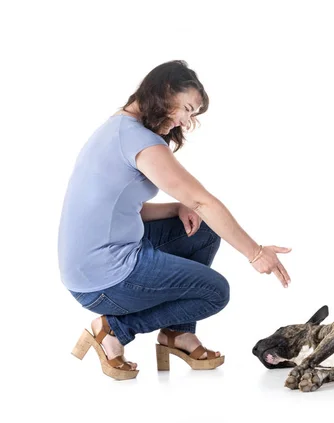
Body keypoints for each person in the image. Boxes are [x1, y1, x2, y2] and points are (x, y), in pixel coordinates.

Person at [59, 60, 292, 380]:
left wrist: (177, 208)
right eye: (186, 108)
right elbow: (202, 199)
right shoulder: (140, 141)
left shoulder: (118, 129)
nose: (187, 120)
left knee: (204, 230)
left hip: (90, 265)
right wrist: (254, 252)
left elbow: (122, 210)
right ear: (163, 92)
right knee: (215, 292)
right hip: (103, 280)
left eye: (193, 114)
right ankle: (114, 329)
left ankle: (177, 334)